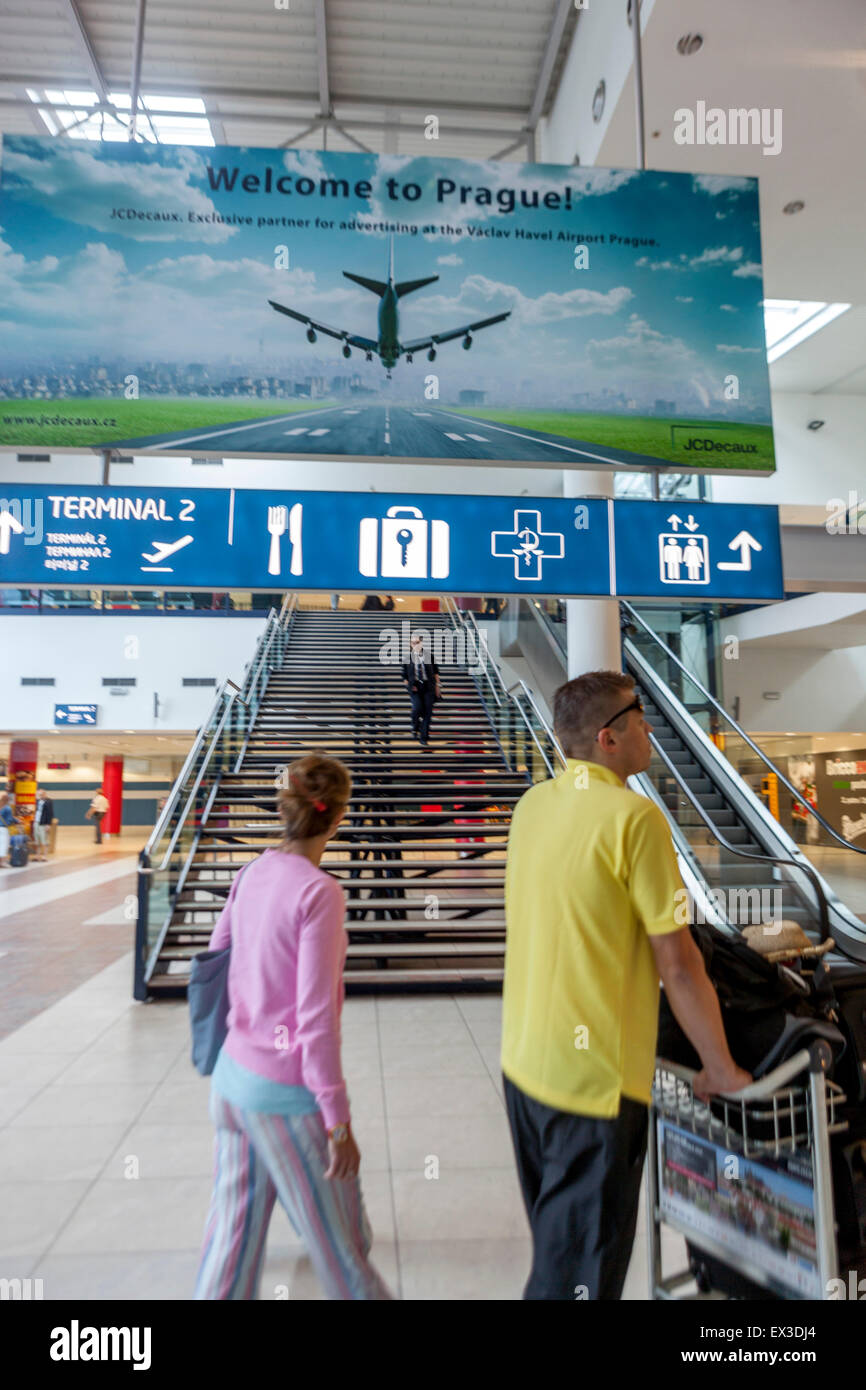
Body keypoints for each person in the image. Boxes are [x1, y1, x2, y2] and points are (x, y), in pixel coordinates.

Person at [501, 671, 751, 1301]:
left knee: (561, 1251)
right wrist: (719, 1067)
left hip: (526, 1067)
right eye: (641, 719)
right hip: (596, 1085)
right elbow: (678, 961)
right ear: (610, 738)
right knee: (581, 1273)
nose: (651, 731)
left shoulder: (533, 805)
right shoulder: (635, 820)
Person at [194, 753, 391, 1301]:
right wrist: (338, 1122)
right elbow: (314, 1019)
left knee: (229, 1243)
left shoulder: (251, 871)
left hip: (232, 1081)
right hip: (284, 1097)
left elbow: (218, 956)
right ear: (337, 816)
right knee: (342, 1257)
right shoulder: (318, 892)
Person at [401, 631, 441, 749]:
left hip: (429, 687)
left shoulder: (429, 656)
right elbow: (404, 676)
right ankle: (415, 726)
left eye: (417, 642)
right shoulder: (407, 658)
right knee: (417, 708)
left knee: (428, 713)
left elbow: (436, 673)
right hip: (415, 688)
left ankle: (424, 738)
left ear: (422, 643)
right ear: (410, 644)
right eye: (413, 643)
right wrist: (409, 687)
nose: (415, 645)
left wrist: (438, 686)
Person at [33, 787, 54, 862]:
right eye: (38, 794)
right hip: (36, 822)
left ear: (44, 794)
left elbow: (50, 814)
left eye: (41, 794)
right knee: (37, 840)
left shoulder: (49, 801)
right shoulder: (37, 801)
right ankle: (37, 855)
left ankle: (44, 856)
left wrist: (48, 824)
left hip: (43, 823)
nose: (39, 796)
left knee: (44, 840)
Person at [0, 792, 16, 868]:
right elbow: (10, 820)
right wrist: (17, 821)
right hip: (3, 829)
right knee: (4, 845)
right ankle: (3, 862)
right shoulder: (7, 808)